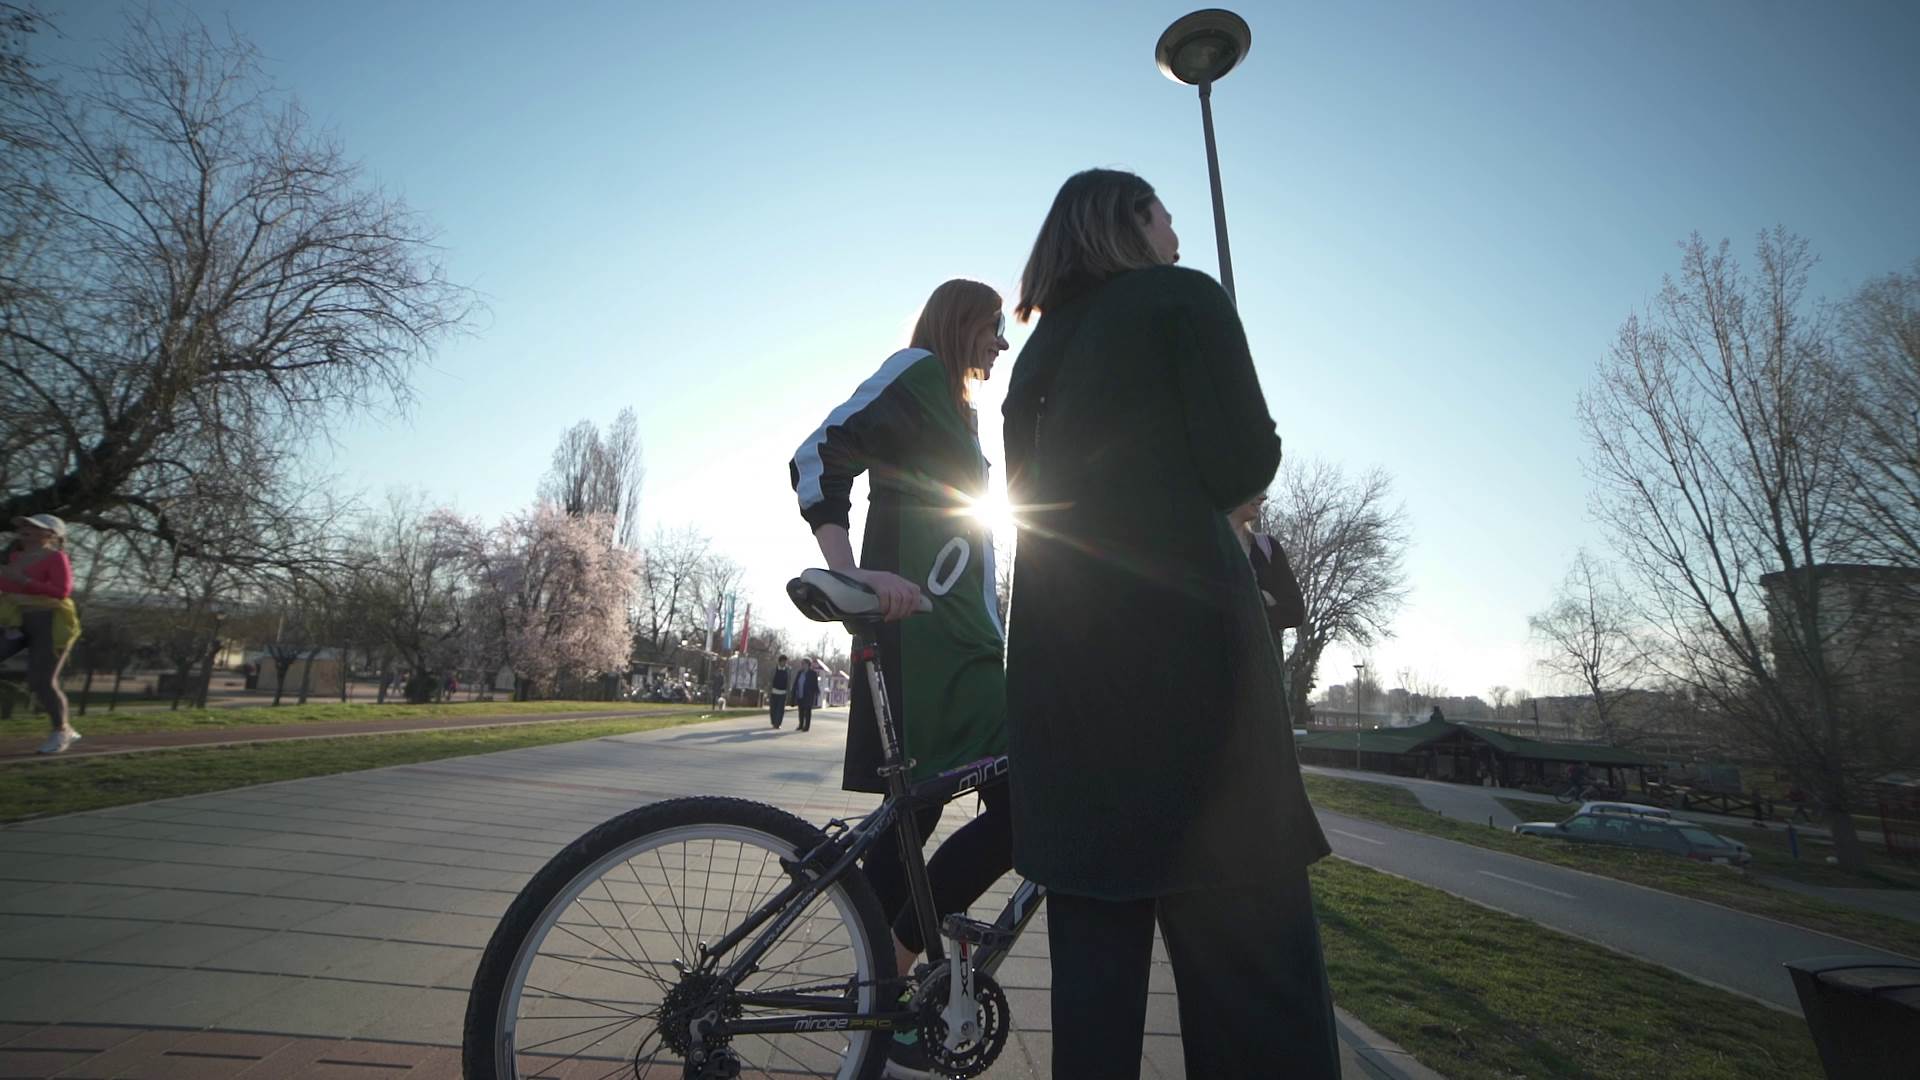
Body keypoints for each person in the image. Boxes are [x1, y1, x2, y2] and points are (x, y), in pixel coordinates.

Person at [1001, 169, 1339, 1078]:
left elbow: (1027, 503)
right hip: (1198, 706)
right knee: (1256, 1002)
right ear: (1132, 222)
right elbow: (1242, 461)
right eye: (1167, 213)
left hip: (1063, 702)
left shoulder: (1034, 357)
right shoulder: (1183, 296)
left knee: (1094, 1008)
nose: (1179, 230)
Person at [789, 278, 1014, 1077]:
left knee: (912, 829)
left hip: (965, 652)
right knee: (1025, 803)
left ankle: (883, 998)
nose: (1002, 344)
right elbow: (819, 450)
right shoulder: (918, 371)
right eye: (993, 327)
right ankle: (890, 983)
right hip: (929, 655)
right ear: (961, 322)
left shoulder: (959, 410)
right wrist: (851, 574)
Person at [1, 514, 84, 753]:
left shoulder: (56, 558)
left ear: (50, 535)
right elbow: (8, 586)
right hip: (14, 620)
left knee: (41, 681)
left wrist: (24, 580)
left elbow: (62, 591)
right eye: (24, 525)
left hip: (49, 621)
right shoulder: (15, 557)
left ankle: (62, 731)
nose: (25, 528)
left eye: (34, 526)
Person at [791, 658, 822, 733]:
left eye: (803, 663)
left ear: (808, 664)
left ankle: (806, 726)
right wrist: (794, 690)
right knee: (800, 710)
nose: (802, 665)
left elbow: (815, 684)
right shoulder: (800, 673)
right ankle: (801, 724)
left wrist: (816, 692)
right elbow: (796, 682)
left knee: (807, 710)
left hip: (808, 695)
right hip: (800, 694)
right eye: (801, 663)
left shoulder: (812, 673)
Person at [768, 654, 791, 728]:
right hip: (774, 691)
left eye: (785, 662)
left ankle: (778, 724)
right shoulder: (774, 669)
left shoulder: (788, 670)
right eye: (783, 662)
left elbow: (789, 682)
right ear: (779, 662)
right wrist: (769, 690)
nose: (784, 663)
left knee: (780, 710)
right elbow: (770, 680)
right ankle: (773, 722)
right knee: (773, 709)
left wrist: (789, 692)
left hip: (783, 693)